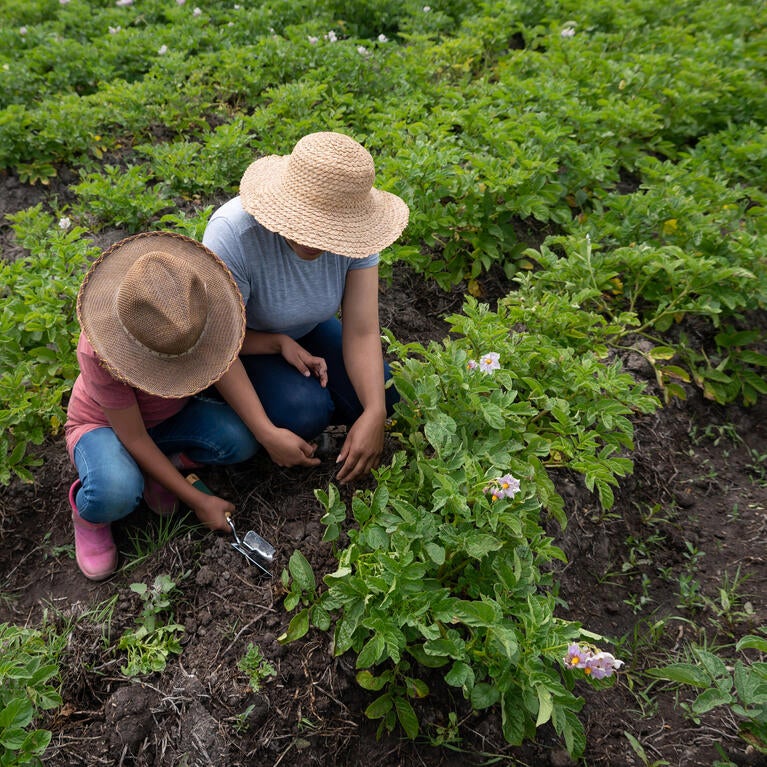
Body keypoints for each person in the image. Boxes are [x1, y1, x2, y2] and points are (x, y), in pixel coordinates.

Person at [202, 131, 409, 484]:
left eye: (329, 231)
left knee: (386, 395)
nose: (314, 241)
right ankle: (217, 409)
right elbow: (215, 344)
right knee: (305, 411)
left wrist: (374, 413)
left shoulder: (358, 236)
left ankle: (338, 410)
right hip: (241, 346)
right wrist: (266, 432)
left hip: (307, 328)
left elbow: (361, 329)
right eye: (306, 224)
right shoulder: (234, 235)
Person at [65, 231, 259, 581]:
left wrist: (276, 348)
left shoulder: (189, 307)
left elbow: (225, 360)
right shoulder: (99, 351)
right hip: (106, 428)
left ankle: (160, 470)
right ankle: (90, 513)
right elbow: (134, 437)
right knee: (117, 491)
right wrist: (199, 501)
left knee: (240, 439)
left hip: (167, 420)